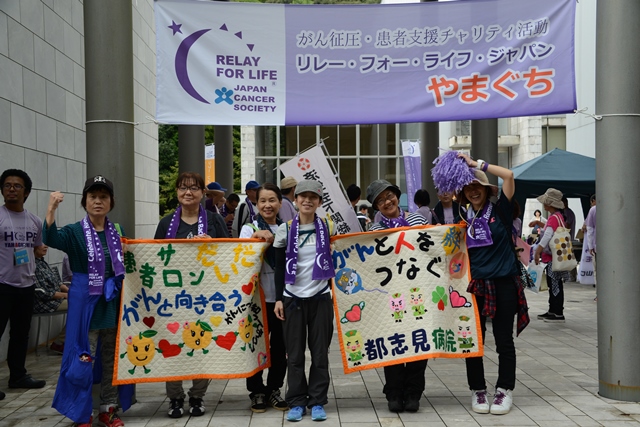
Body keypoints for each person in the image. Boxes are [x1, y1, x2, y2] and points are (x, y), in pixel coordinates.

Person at [44, 175, 130, 427]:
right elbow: (51, 239)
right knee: (84, 358)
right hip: (85, 303)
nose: (98, 201)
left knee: (111, 358)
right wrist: (51, 208)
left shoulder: (117, 231)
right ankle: (82, 412)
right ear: (85, 201)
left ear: (111, 202)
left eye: (103, 196)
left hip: (111, 302)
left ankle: (108, 408)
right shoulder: (74, 231)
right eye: (93, 196)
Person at [456, 154, 529, 416]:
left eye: (478, 186)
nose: (473, 191)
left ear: (487, 190)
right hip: (474, 286)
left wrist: (477, 165)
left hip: (504, 282)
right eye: (468, 188)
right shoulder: (462, 219)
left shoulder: (501, 211)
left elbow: (509, 176)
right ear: (463, 194)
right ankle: (477, 389)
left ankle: (504, 390)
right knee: (473, 340)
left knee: (503, 341)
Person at [154, 172, 229, 418]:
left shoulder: (214, 221)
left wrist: (212, 245)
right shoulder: (166, 223)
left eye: (194, 188)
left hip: (204, 295)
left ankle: (198, 395)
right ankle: (175, 397)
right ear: (177, 192)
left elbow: (229, 253)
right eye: (183, 188)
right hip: (173, 296)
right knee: (173, 344)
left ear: (202, 193)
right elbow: (154, 257)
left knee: (201, 343)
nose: (188, 192)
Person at [273, 180, 335, 422]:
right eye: (303, 196)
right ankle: (297, 401)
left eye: (313, 197)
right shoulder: (285, 229)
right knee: (295, 355)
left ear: (319, 202)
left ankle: (317, 401)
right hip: (292, 299)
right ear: (295, 200)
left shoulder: (328, 226)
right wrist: (279, 298)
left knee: (320, 354)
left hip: (321, 298)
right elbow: (279, 266)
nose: (308, 201)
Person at [366, 180, 430, 413]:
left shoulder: (418, 220)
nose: (387, 202)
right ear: (376, 207)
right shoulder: (374, 231)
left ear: (397, 196)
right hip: (388, 295)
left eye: (389, 196)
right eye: (380, 200)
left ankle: (413, 392)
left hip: (418, 292)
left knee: (418, 340)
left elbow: (432, 248)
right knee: (392, 342)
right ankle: (393, 392)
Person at [239, 183, 288, 413]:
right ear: (256, 203)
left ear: (280, 203)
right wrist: (255, 240)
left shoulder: (287, 229)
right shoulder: (249, 228)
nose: (267, 205)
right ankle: (256, 391)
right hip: (255, 300)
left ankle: (274, 389)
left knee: (280, 347)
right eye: (262, 201)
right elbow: (240, 260)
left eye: (272, 200)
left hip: (281, 298)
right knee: (255, 345)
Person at [0, 169, 46, 401]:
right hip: (2, 284)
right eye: (7, 185)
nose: (11, 189)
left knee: (20, 334)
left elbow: (36, 249)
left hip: (26, 285)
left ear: (26, 192)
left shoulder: (34, 221)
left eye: (17, 186)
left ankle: (18, 376)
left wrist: (38, 251)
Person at [534, 188, 571, 323]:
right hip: (557, 257)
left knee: (554, 284)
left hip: (552, 258)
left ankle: (557, 312)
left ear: (549, 204)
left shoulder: (553, 218)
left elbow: (547, 236)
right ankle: (553, 310)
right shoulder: (559, 217)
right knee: (555, 283)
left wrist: (538, 251)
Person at [33, 244, 69, 353]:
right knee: (80, 306)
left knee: (84, 303)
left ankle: (68, 340)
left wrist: (69, 291)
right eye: (42, 244)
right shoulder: (32, 265)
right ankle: (60, 342)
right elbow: (43, 294)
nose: (46, 247)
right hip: (44, 302)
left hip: (56, 298)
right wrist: (66, 295)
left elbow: (57, 282)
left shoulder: (42, 262)